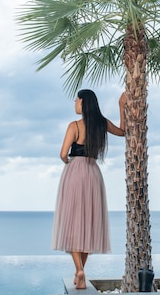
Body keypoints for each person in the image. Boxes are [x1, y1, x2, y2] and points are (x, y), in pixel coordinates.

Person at [51, 89, 126, 290]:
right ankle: (79, 271)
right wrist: (122, 106)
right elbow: (123, 131)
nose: (75, 102)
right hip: (93, 173)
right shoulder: (101, 123)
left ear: (83, 102)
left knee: (72, 224)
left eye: (76, 99)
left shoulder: (74, 126)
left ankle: (80, 271)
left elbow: (62, 154)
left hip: (75, 172)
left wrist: (68, 162)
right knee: (88, 224)